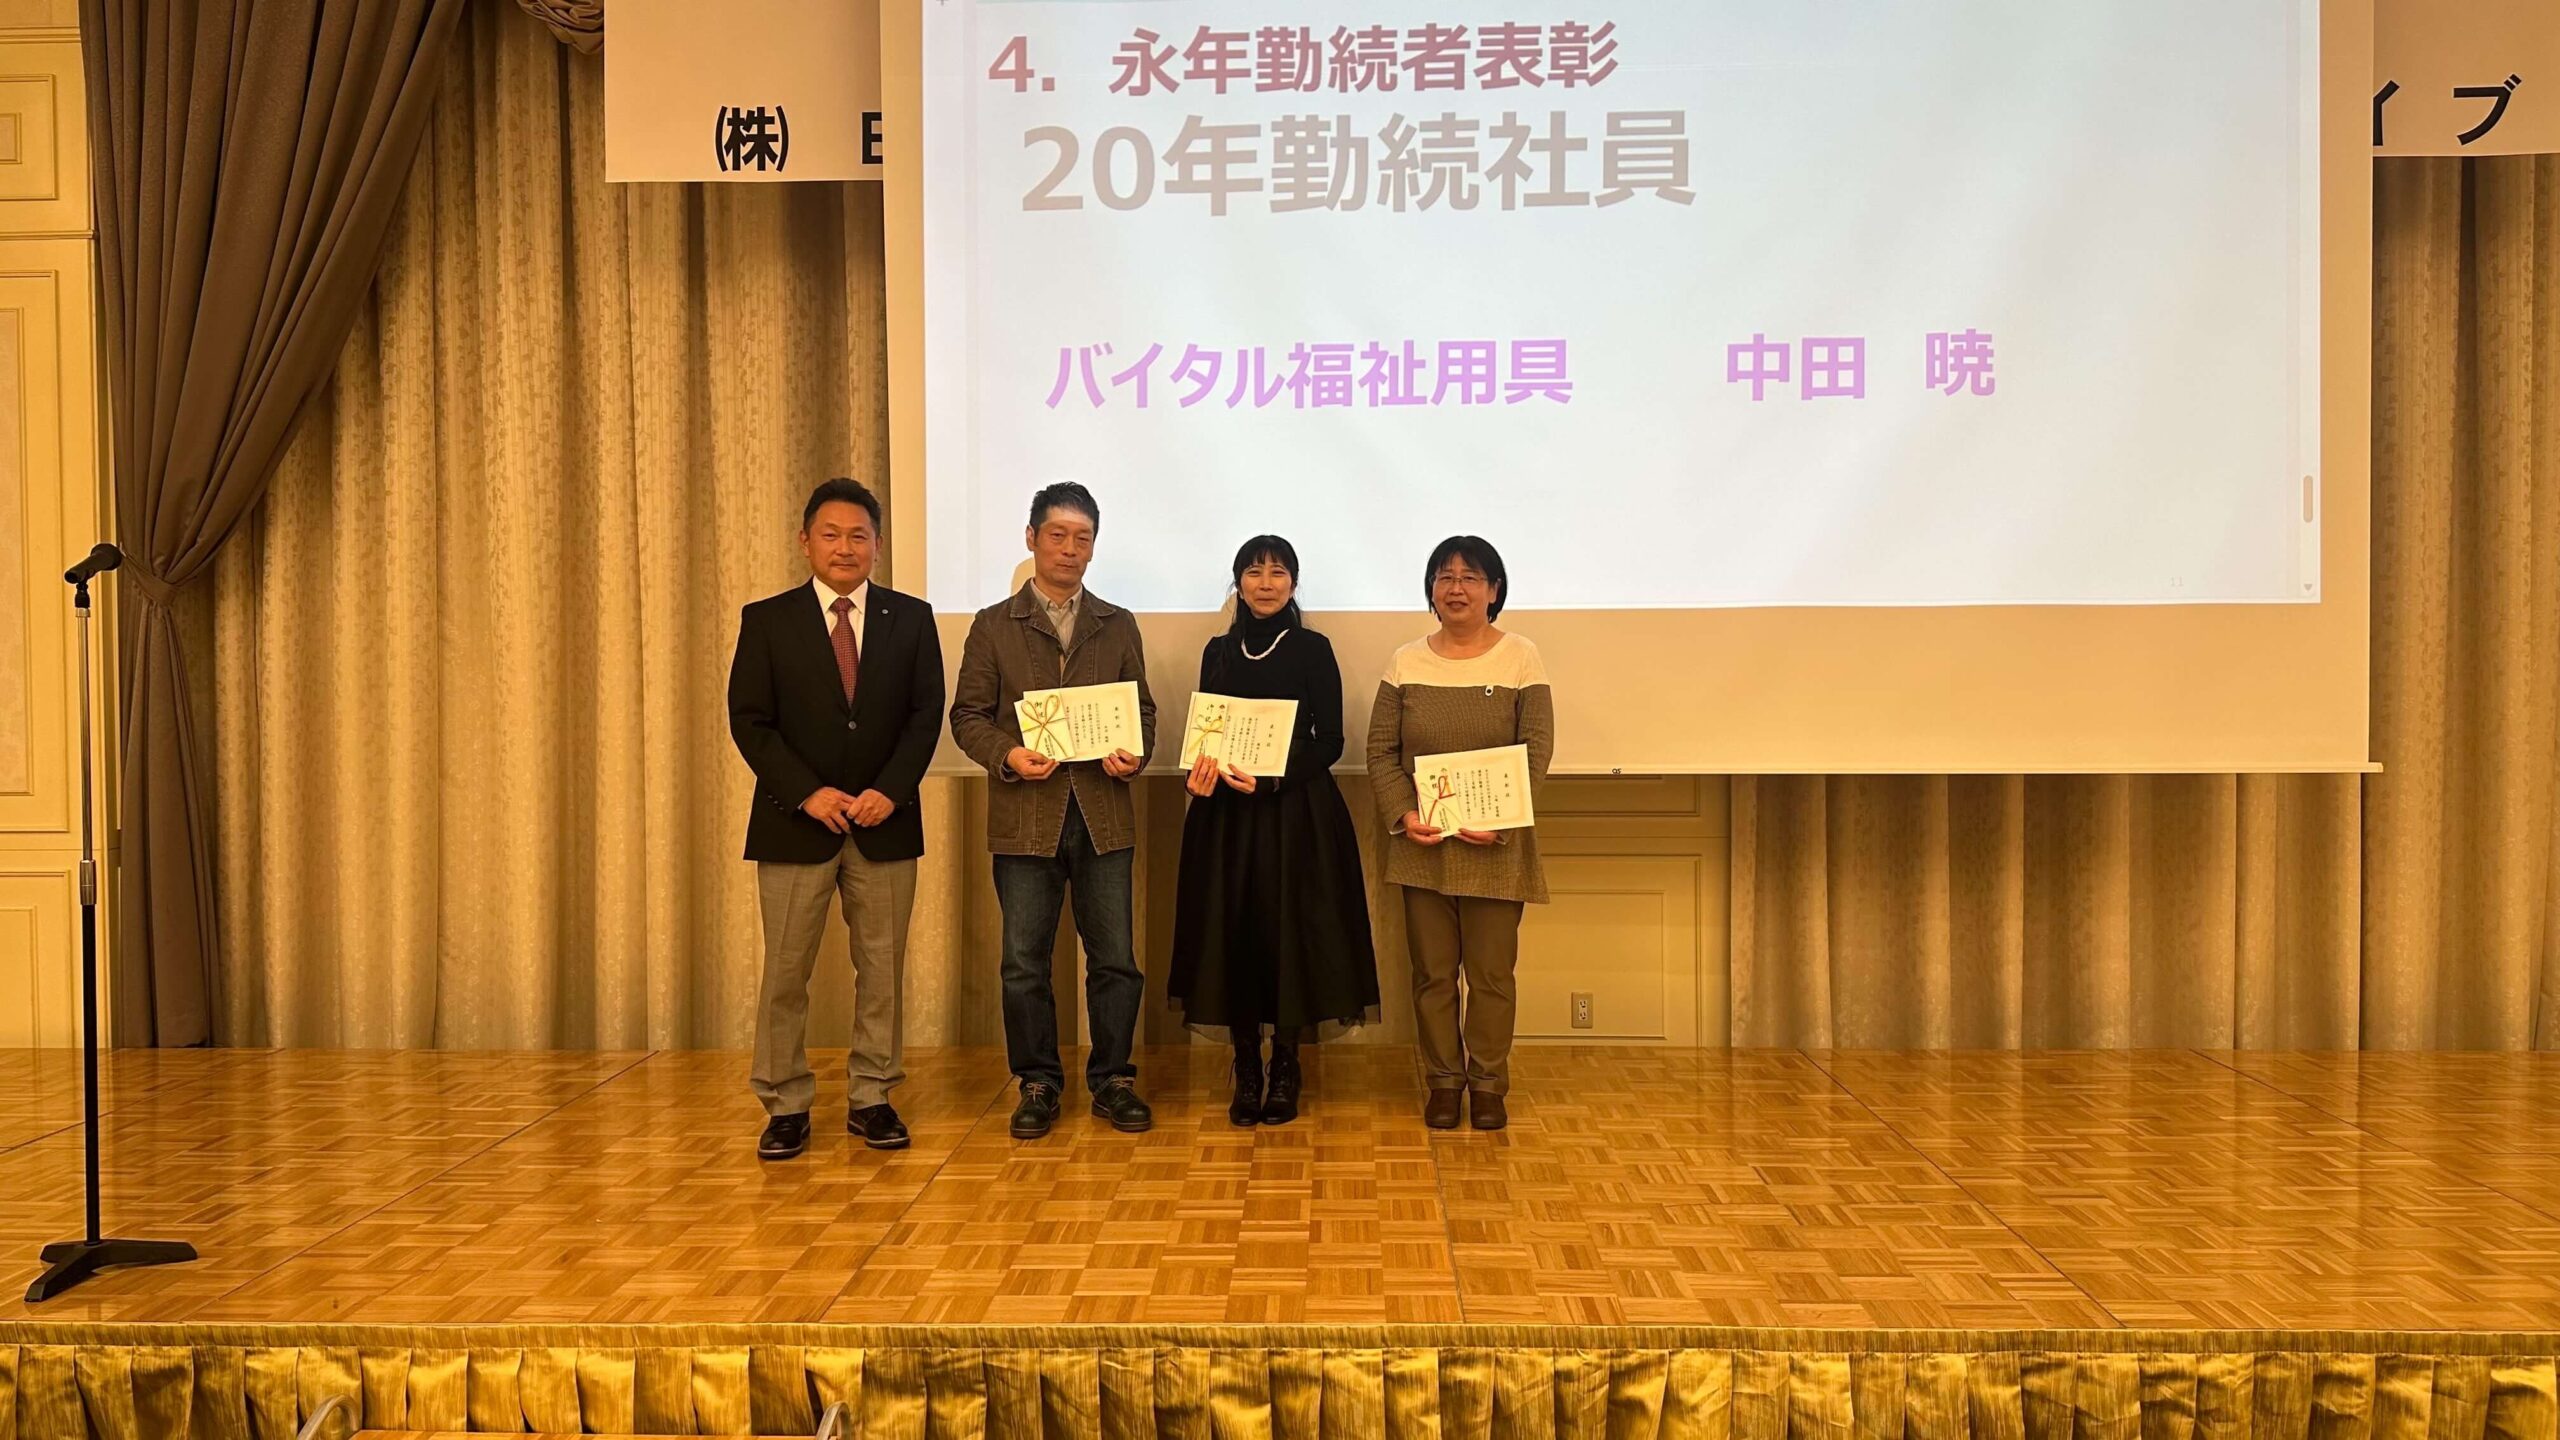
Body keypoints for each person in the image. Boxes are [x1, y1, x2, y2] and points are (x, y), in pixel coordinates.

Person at [728, 478, 945, 1160]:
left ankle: (872, 1096)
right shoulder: (767, 620)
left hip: (885, 823)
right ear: (805, 542)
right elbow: (750, 722)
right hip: (796, 824)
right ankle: (785, 1103)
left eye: (858, 536)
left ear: (878, 545)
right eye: (831, 534)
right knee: (785, 973)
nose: (845, 547)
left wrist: (890, 790)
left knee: (881, 972)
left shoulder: (912, 619)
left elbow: (925, 716)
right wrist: (807, 793)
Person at [949, 482, 1158, 1140]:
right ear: (1032, 538)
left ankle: (1114, 1079)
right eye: (1058, 535)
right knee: (1023, 963)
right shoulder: (993, 624)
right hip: (1025, 817)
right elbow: (968, 716)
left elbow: (1142, 713)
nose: (1070, 548)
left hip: (1103, 815)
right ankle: (1037, 1082)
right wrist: (1008, 755)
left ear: (1094, 547)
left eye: (1082, 538)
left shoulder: (1117, 623)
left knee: (1115, 958)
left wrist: (1135, 755)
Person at [1167, 537, 1380, 1127]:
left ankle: (1286, 1064)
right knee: (1232, 931)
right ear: (1238, 582)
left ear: (1293, 583)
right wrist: (1199, 775)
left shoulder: (1313, 648)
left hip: (1295, 813)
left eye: (1278, 571)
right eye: (1254, 572)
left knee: (1290, 934)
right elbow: (1207, 734)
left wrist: (1271, 779)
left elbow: (1330, 741)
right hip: (1226, 818)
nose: (1266, 582)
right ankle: (1246, 1065)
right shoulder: (1218, 650)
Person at [1364, 536, 1553, 1131]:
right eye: (1445, 577)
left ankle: (1489, 1085)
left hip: (1495, 846)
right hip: (1424, 846)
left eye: (1471, 578)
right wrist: (1404, 815)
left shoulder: (1521, 657)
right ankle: (1444, 1083)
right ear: (1431, 590)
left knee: (1492, 976)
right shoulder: (1405, 661)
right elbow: (1380, 751)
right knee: (1433, 975)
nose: (1456, 589)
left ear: (1494, 590)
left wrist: (1499, 820)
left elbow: (1537, 750)